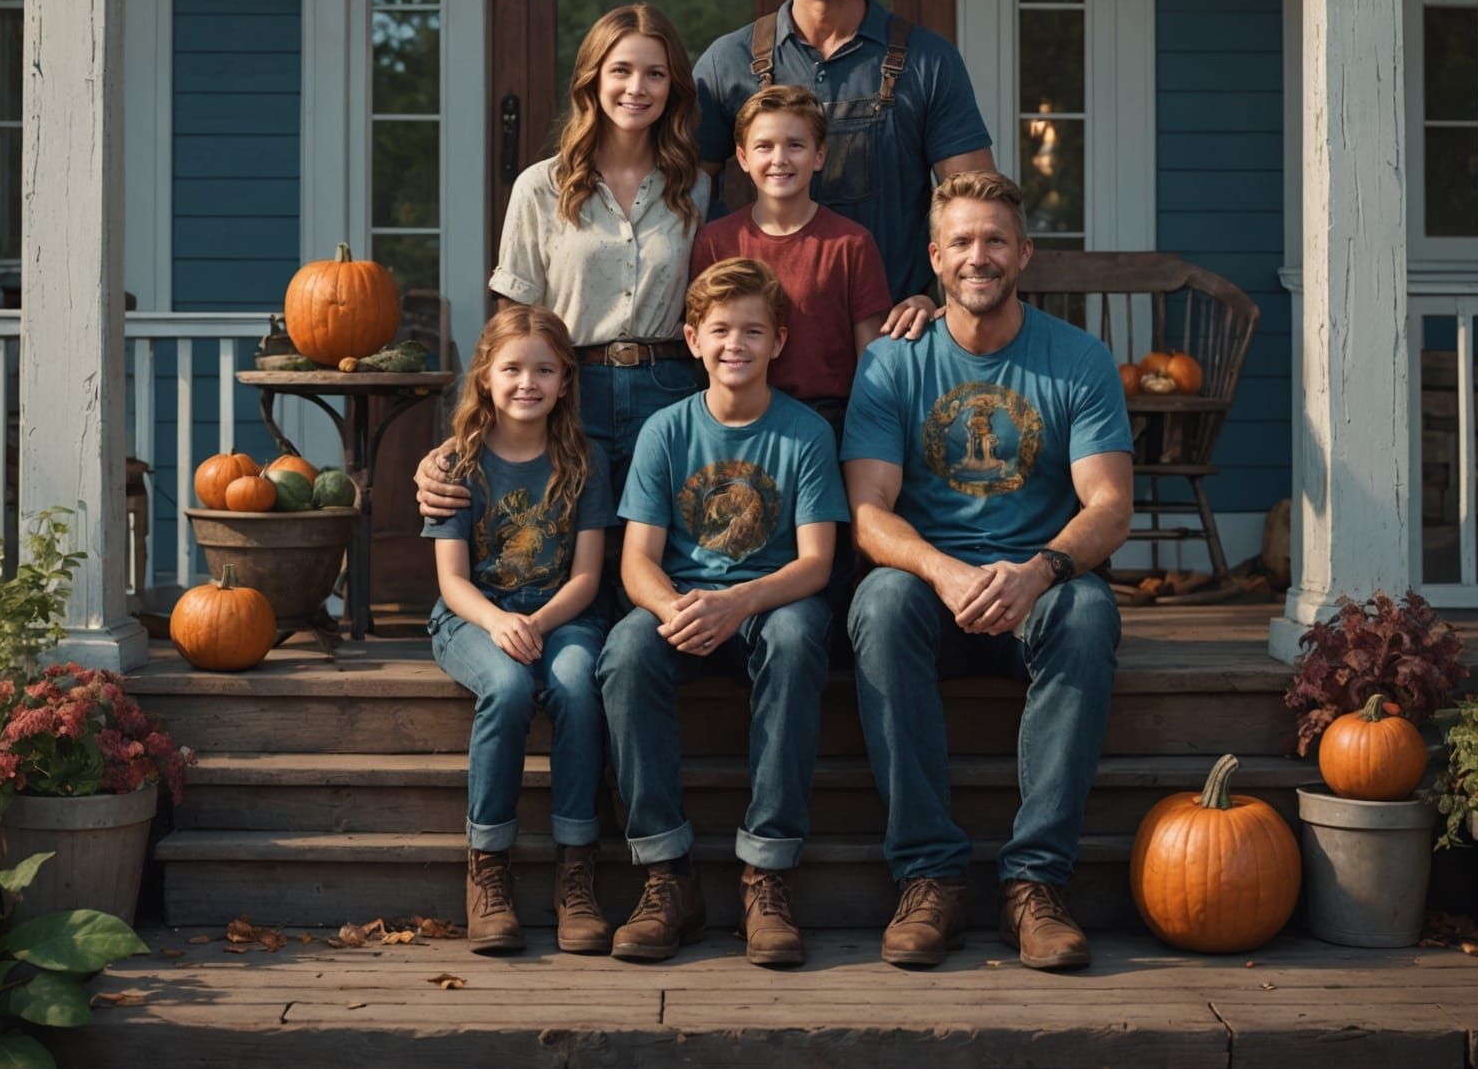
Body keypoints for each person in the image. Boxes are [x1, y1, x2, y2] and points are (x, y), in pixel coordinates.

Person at [841, 171, 1134, 971]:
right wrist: (942, 572)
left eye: (996, 240)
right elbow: (868, 512)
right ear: (936, 258)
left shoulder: (1078, 359)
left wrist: (1038, 573)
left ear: (1025, 253)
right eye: (962, 241)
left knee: (1089, 612)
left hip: (1036, 594)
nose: (980, 256)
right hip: (932, 595)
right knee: (880, 601)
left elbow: (1110, 506)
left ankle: (1035, 883)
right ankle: (928, 876)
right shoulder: (892, 364)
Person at [597, 258, 850, 966]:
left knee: (797, 640)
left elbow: (816, 564)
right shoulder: (665, 431)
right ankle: (666, 876)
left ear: (779, 342)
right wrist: (680, 610)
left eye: (752, 331)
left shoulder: (805, 434)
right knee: (625, 651)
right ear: (692, 340)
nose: (735, 343)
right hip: (683, 601)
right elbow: (636, 562)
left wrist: (737, 602)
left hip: (772, 603)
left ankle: (766, 873)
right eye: (719, 330)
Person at [416, 1, 710, 517]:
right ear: (592, 80)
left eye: (655, 74)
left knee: (656, 545)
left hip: (669, 389)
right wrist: (468, 430)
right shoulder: (540, 187)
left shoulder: (695, 190)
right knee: (564, 541)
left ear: (673, 87)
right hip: (569, 390)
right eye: (621, 70)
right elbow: (512, 323)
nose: (637, 87)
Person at [693, 0, 996, 309]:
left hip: (896, 332)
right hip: (757, 338)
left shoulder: (928, 60)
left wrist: (939, 305)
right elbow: (682, 198)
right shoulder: (727, 62)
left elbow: (978, 210)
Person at [422, 304, 618, 955]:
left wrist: (535, 621)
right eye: (511, 369)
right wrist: (500, 620)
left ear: (565, 380)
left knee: (577, 686)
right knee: (507, 688)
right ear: (485, 376)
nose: (526, 383)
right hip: (472, 617)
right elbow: (452, 581)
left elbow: (587, 577)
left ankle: (576, 871)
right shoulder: (458, 464)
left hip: (563, 615)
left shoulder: (585, 461)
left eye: (544, 370)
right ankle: (488, 867)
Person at [688, 83, 931, 439]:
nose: (780, 159)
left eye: (795, 145)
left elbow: (872, 361)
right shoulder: (715, 241)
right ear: (742, 157)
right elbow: (701, 349)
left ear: (819, 156)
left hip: (829, 421)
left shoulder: (850, 244)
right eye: (764, 146)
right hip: (737, 422)